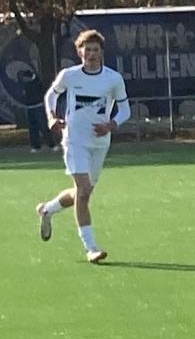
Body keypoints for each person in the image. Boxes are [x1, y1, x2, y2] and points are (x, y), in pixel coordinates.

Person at [35, 30, 129, 263]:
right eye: (87, 50)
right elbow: (50, 96)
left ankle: (47, 209)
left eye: (95, 50)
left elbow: (125, 109)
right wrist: (51, 117)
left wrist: (111, 124)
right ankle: (91, 248)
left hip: (100, 143)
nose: (91, 54)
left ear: (101, 52)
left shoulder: (113, 79)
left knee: (81, 192)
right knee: (84, 191)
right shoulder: (69, 75)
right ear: (79, 52)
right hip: (74, 141)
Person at [18, 66, 52, 152]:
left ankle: (51, 145)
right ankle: (36, 146)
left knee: (44, 126)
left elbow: (43, 93)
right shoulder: (24, 84)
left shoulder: (37, 83)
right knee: (33, 128)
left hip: (38, 106)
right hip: (29, 108)